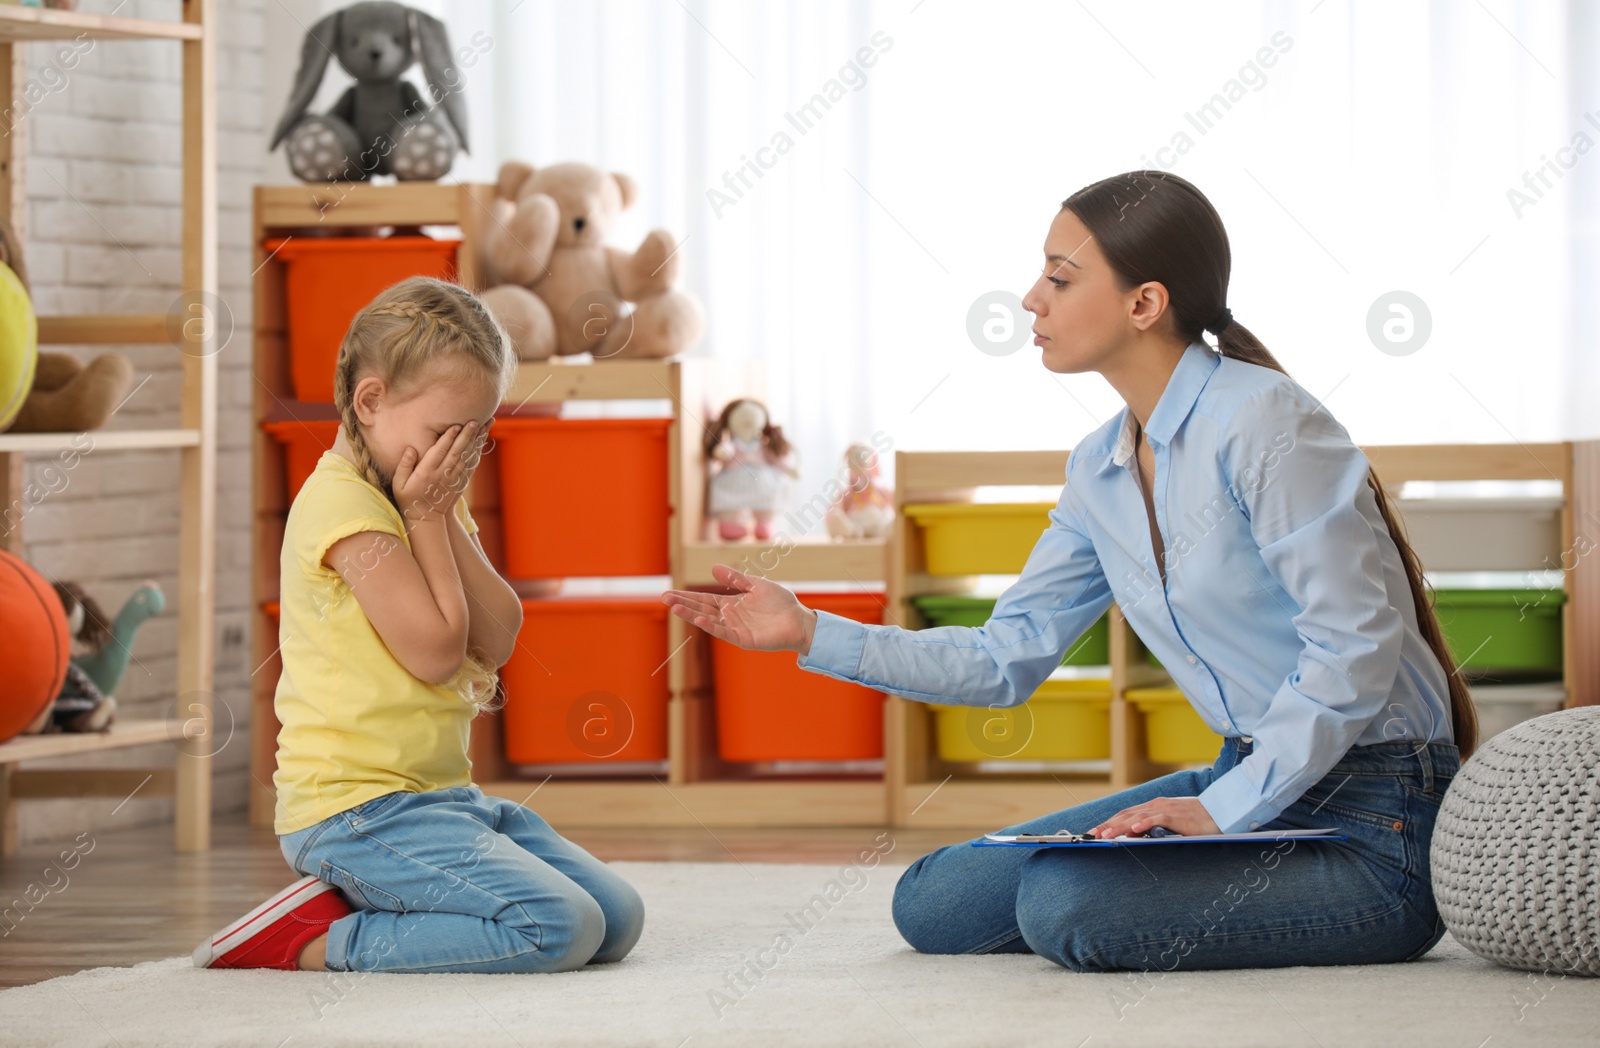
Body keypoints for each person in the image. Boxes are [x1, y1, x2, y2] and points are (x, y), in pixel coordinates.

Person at [661, 171, 1474, 973]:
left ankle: (1359, 896)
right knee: (935, 902)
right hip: (1247, 774)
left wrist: (1222, 810)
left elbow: (1354, 646)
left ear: (1144, 303)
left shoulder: (1266, 421)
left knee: (1064, 905)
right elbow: (1004, 657)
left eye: (1059, 277)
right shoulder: (1101, 467)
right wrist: (809, 630)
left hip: (1377, 817)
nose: (1030, 300)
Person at [195, 276, 643, 973]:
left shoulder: (421, 491)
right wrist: (429, 519)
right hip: (354, 814)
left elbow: (496, 638)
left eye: (477, 436)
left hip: (441, 799)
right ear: (371, 401)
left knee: (616, 920)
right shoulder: (344, 509)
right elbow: (436, 654)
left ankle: (389, 900)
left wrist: (439, 516)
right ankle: (308, 941)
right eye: (446, 433)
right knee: (559, 929)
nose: (461, 455)